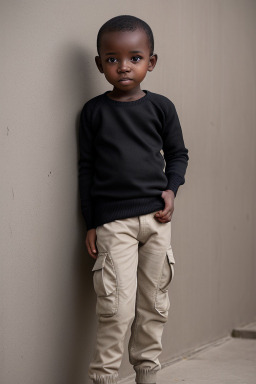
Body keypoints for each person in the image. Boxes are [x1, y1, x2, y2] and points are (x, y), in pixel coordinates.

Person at [78, 15, 189, 384]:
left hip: (157, 221)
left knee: (153, 307)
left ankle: (147, 376)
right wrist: (91, 223)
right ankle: (105, 378)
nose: (123, 66)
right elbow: (87, 169)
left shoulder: (162, 108)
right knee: (116, 310)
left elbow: (177, 155)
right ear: (100, 64)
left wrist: (171, 189)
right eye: (112, 58)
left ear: (150, 62)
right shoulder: (94, 112)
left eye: (135, 57)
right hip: (114, 224)